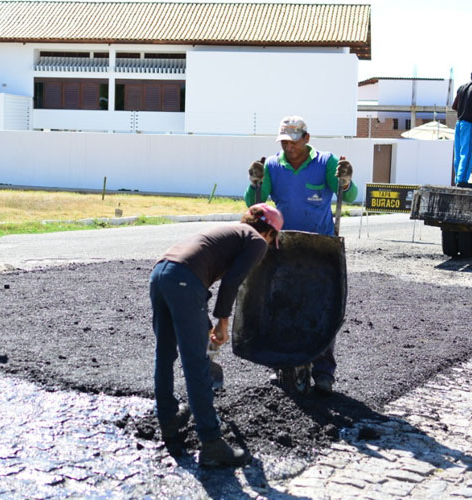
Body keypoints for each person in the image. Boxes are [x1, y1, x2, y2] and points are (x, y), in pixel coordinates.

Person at [150, 203, 283, 468]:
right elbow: (232, 281)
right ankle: (211, 444)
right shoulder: (257, 241)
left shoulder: (231, 230)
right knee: (196, 362)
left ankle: (168, 420)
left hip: (160, 274)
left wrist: (209, 320)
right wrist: (223, 321)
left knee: (165, 354)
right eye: (273, 239)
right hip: (185, 280)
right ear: (270, 232)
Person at [244, 115, 357, 393]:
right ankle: (281, 365)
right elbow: (254, 205)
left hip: (321, 250)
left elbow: (351, 196)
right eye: (284, 142)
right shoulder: (272, 165)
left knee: (323, 309)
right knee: (280, 307)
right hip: (283, 248)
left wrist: (344, 181)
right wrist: (254, 183)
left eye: (293, 141)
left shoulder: (326, 163)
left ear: (306, 139)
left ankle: (323, 372)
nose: (288, 147)